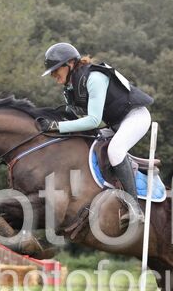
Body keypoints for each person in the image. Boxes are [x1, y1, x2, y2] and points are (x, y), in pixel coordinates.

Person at [38, 42, 154, 223]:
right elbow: (72, 117)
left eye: (56, 70)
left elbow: (94, 121)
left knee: (115, 151)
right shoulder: (70, 87)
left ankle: (135, 208)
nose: (53, 75)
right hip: (115, 124)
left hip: (135, 117)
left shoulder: (94, 78)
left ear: (70, 64)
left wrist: (57, 126)